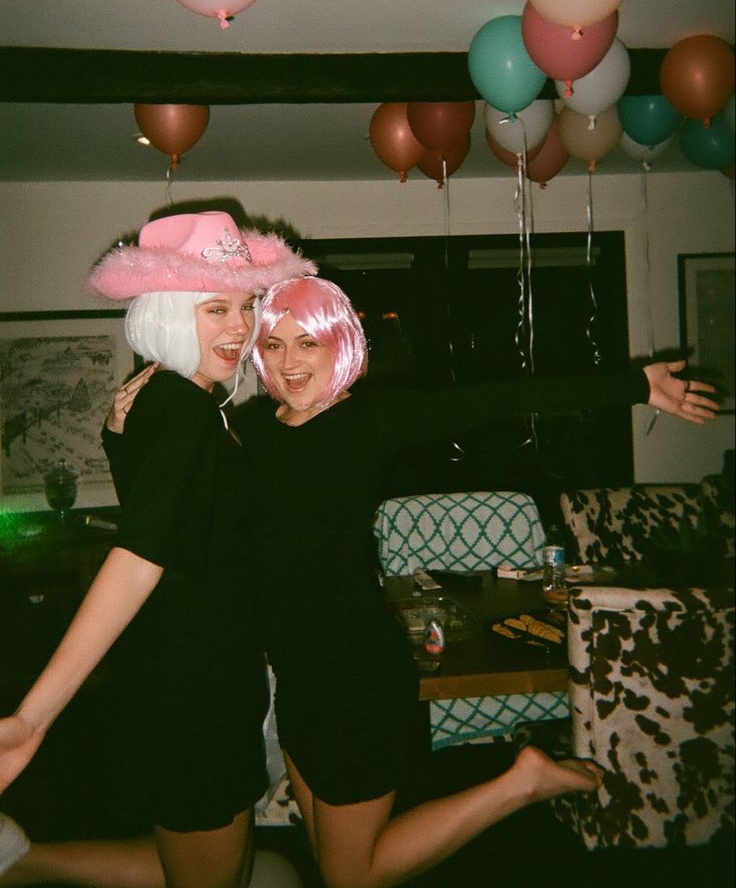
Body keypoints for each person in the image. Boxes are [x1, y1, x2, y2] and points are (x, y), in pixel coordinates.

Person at [237, 274, 717, 888]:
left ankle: (520, 784)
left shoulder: (369, 422)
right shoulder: (252, 430)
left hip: (354, 675)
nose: (289, 361)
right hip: (299, 676)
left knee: (351, 874)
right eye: (274, 345)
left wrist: (634, 385)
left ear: (342, 345)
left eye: (307, 343)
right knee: (329, 853)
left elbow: (500, 398)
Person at [0, 211, 316, 888]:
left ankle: (19, 862)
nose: (239, 327)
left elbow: (169, 518)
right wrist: (33, 716)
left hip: (197, 673)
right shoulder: (183, 412)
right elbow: (141, 554)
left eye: (245, 304)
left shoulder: (170, 401)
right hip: (194, 690)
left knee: (209, 867)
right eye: (214, 308)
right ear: (171, 313)